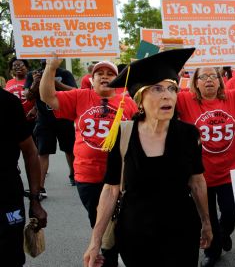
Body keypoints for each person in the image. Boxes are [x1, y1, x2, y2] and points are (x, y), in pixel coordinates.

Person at [83, 48, 212, 267]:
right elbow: (111, 189)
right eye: (157, 88)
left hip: (181, 231)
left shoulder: (189, 134)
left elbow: (197, 181)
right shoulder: (122, 135)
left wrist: (207, 222)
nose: (167, 95)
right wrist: (95, 241)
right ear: (139, 98)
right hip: (135, 234)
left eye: (172, 88)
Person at [40, 55, 137, 266]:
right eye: (99, 74)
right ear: (91, 80)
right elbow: (48, 97)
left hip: (122, 175)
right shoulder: (79, 96)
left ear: (119, 78)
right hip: (89, 177)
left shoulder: (128, 102)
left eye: (110, 73)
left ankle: (119, 250)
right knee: (100, 222)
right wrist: (50, 67)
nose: (104, 77)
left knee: (125, 221)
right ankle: (107, 257)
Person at [176, 44, 235, 267]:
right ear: (195, 82)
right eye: (203, 77)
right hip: (200, 176)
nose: (208, 80)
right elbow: (165, 91)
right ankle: (213, 252)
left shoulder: (232, 98)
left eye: (213, 76)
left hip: (229, 173)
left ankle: (224, 233)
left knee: (232, 212)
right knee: (208, 217)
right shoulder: (185, 100)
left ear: (220, 80)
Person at [0, 88, 47, 267]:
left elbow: (29, 151)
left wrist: (35, 201)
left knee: (9, 255)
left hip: (6, 194)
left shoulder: (7, 102)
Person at [25, 59, 76, 190]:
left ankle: (73, 175)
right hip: (44, 119)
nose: (45, 61)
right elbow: (28, 96)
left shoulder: (65, 74)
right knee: (43, 152)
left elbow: (74, 92)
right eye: (43, 60)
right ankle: (40, 187)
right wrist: (36, 82)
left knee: (69, 149)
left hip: (64, 118)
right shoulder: (33, 75)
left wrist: (52, 81)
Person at [5, 58, 37, 135]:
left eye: (20, 65)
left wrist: (35, 109)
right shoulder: (9, 82)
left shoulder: (33, 81)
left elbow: (41, 97)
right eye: (14, 65)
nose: (17, 67)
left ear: (27, 67)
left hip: (32, 120)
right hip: (15, 120)